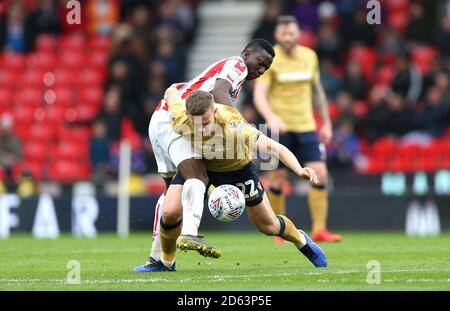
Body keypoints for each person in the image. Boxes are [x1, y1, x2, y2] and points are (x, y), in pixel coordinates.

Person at [133, 88, 327, 272]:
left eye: (206, 123)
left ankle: (301, 240)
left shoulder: (234, 126)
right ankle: (166, 263)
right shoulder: (180, 117)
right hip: (202, 168)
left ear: (215, 113)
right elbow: (171, 94)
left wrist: (299, 169)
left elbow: (275, 147)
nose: (201, 130)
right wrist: (175, 88)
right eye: (196, 124)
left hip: (238, 171)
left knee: (269, 226)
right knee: (170, 211)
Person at [147, 39, 275, 262]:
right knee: (198, 175)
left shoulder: (227, 70)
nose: (261, 70)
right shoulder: (237, 65)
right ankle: (190, 234)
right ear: (247, 54)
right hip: (174, 122)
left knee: (170, 196)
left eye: (266, 68)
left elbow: (204, 87)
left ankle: (157, 259)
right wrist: (240, 127)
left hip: (161, 119)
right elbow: (218, 91)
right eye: (260, 62)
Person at [253, 16, 341, 243]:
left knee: (320, 173)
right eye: (283, 34)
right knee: (277, 177)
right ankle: (279, 229)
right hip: (279, 128)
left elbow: (318, 92)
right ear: (277, 35)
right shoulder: (270, 57)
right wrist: (270, 116)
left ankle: (320, 229)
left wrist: (327, 123)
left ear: (298, 33)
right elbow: (259, 94)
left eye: (291, 33)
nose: (288, 37)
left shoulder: (309, 56)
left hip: (307, 126)